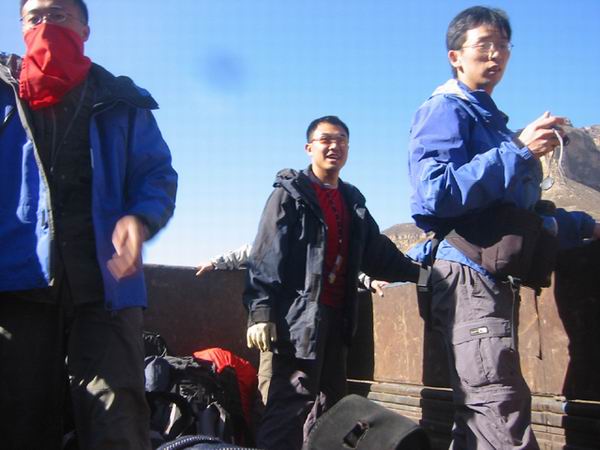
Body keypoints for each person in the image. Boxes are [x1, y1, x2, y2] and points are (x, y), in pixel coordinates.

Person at [407, 6, 600, 449]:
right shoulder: (444, 109)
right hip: (468, 277)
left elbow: (516, 218)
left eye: (503, 45)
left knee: (479, 419)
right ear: (456, 57)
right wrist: (519, 152)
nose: (495, 54)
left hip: (491, 279)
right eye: (484, 45)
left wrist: (587, 227)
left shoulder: (490, 121)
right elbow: (434, 194)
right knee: (498, 410)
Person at [0, 1, 177, 448]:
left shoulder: (123, 100)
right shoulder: (2, 94)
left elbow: (157, 175)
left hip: (106, 290)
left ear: (85, 29)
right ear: (20, 27)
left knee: (117, 422)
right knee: (16, 420)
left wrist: (140, 219)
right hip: (15, 286)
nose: (46, 24)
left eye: (59, 14)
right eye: (35, 17)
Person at [243, 115, 423, 450]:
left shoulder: (352, 200)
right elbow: (266, 254)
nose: (334, 146)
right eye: (325, 139)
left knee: (332, 411)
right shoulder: (290, 194)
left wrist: (422, 275)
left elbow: (377, 253)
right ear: (309, 148)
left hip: (336, 323)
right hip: (294, 324)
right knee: (287, 408)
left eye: (341, 140)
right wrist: (261, 313)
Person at [196, 243, 390, 296]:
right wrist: (215, 263)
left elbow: (342, 270)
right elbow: (247, 252)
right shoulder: (276, 243)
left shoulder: (317, 249)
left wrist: (370, 282)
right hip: (279, 318)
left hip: (308, 319)